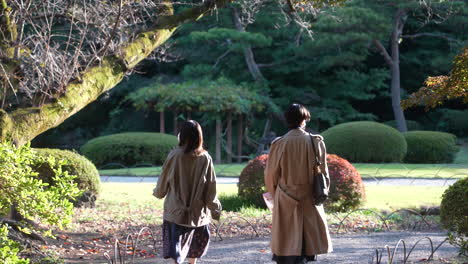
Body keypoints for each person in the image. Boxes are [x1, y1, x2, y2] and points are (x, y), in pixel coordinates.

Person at [264, 104, 332, 264]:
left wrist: (275, 194)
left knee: (286, 242)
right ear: (304, 120)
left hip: (285, 196)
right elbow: (323, 173)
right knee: (307, 242)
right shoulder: (315, 141)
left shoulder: (279, 144)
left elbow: (270, 175)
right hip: (309, 195)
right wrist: (323, 190)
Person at [153, 120, 222, 264]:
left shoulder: (174, 156)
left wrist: (158, 192)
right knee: (194, 249)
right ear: (199, 137)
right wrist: (215, 210)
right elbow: (211, 188)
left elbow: (163, 181)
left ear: (181, 135)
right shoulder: (205, 158)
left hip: (175, 212)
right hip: (198, 215)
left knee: (176, 252)